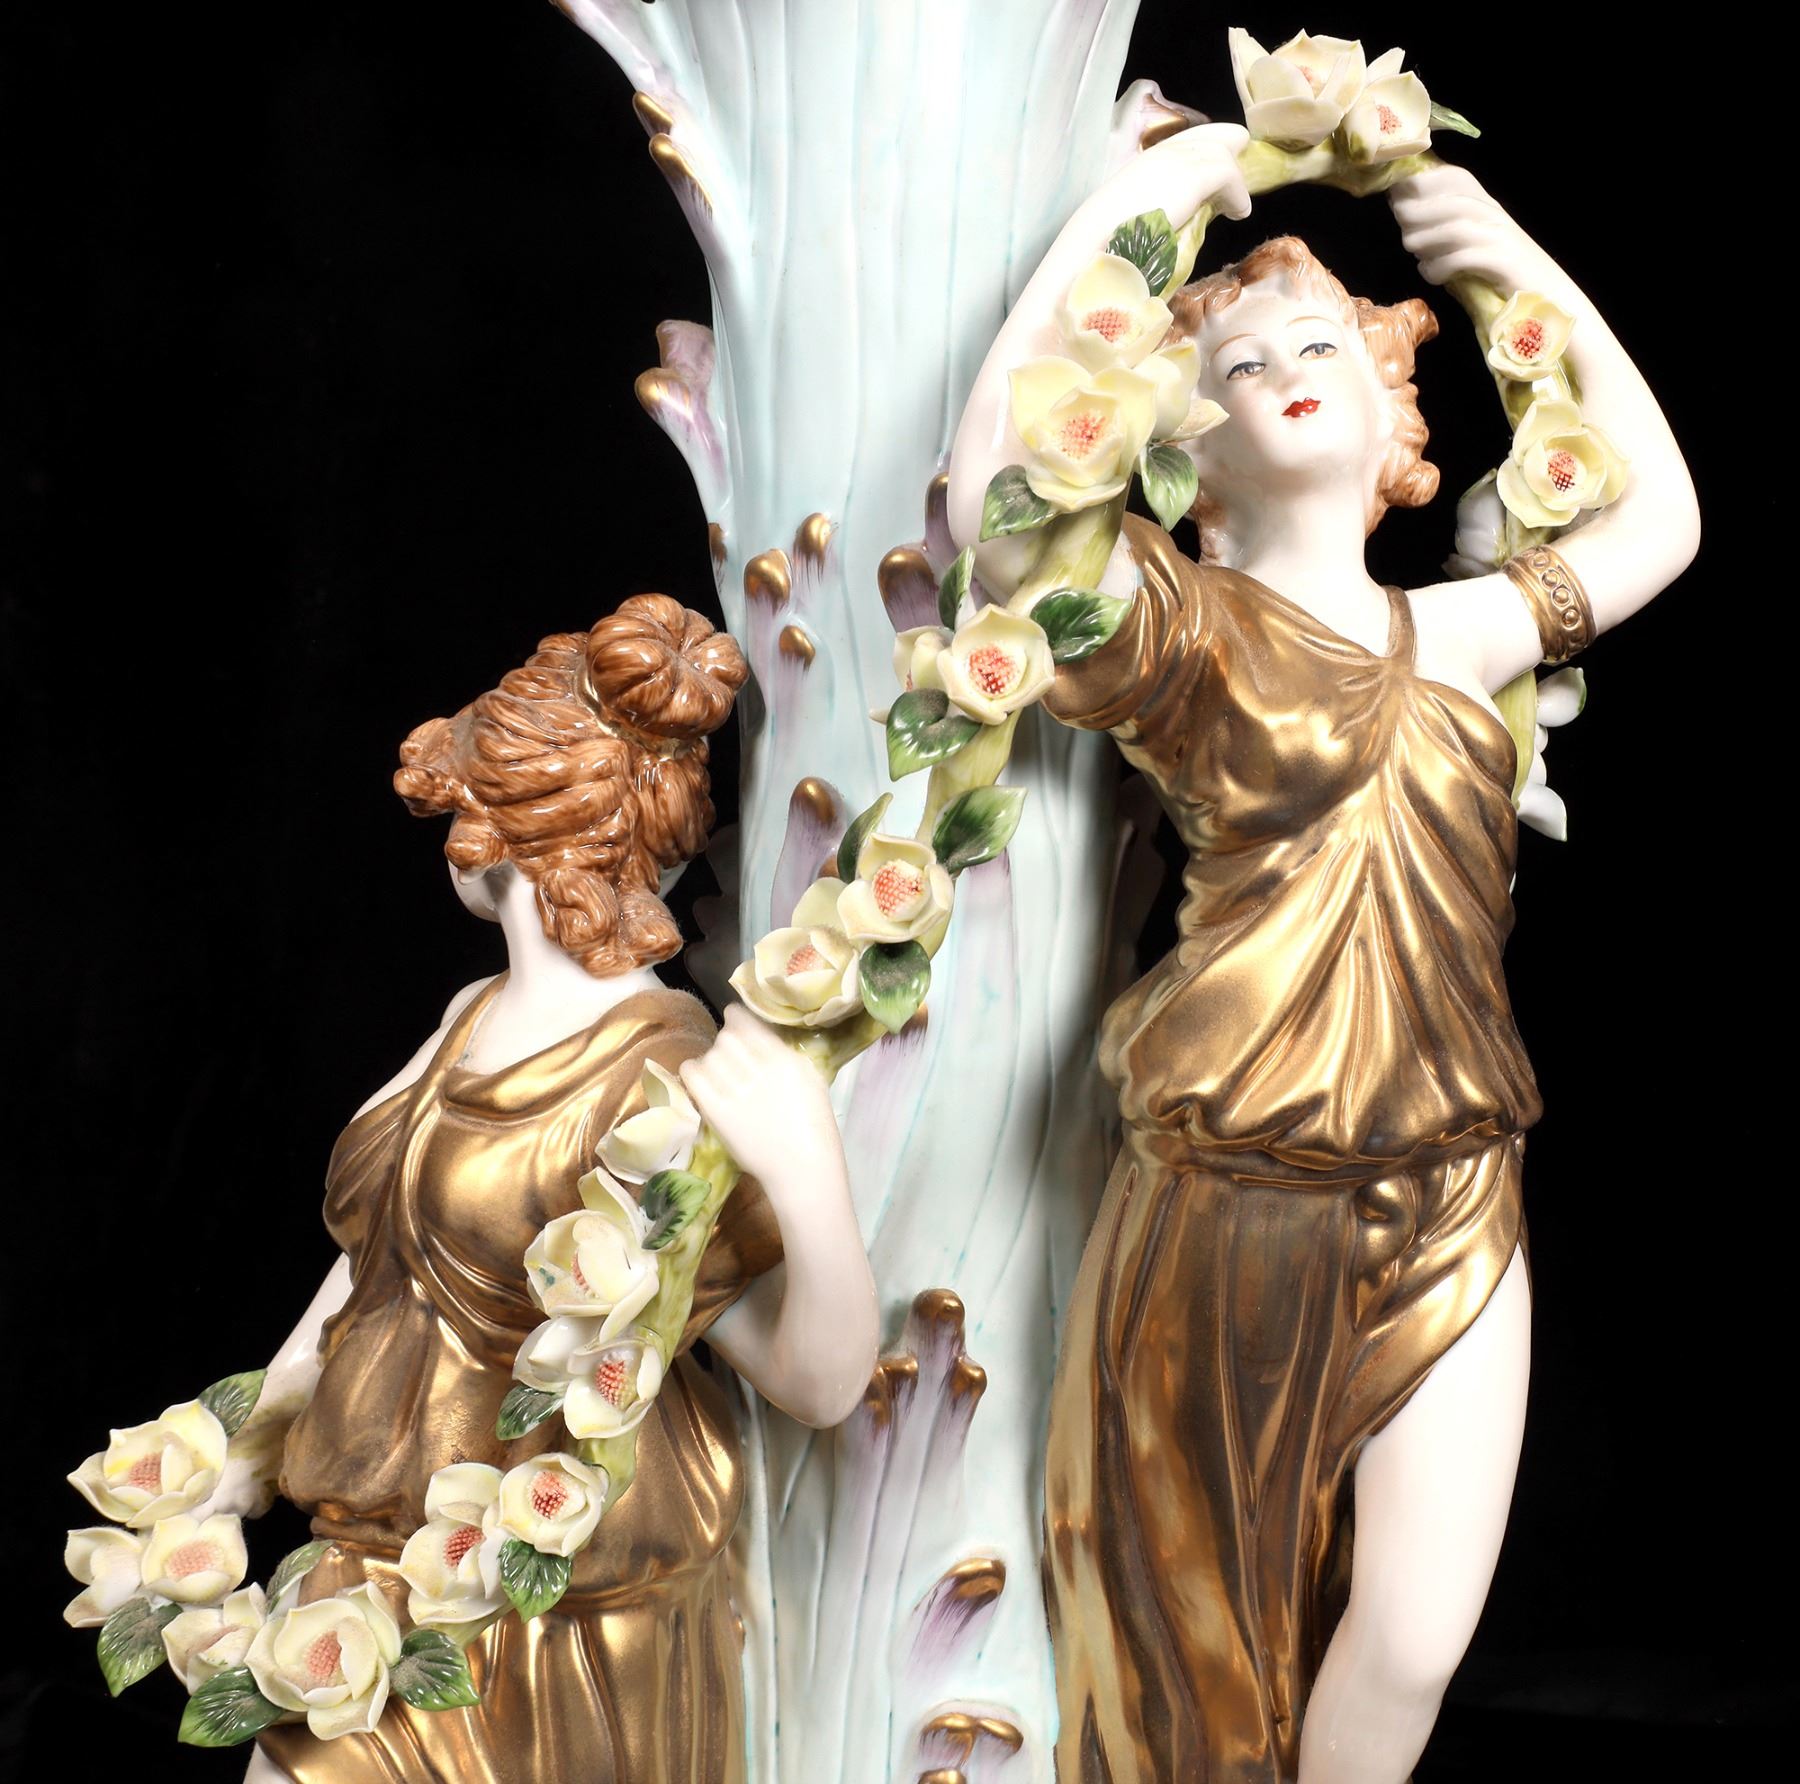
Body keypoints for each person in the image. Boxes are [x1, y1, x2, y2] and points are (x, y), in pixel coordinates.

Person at [947, 125, 1699, 1784]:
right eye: (1239, 364)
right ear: (1187, 438)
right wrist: (1146, 207)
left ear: (1389, 413)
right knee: (1202, 1636)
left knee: (1415, 1637)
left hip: (1456, 1183)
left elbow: (1665, 516)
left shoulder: (1461, 635)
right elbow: (988, 505)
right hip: (1237, 1188)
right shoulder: (1186, 634)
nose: (1286, 373)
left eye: (1320, 349)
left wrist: (1500, 256)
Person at [202, 594, 877, 1784]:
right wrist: (238, 1442)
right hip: (371, 1558)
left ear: (496, 828)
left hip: (550, 1604)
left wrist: (807, 1171)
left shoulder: (663, 1072)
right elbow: (374, 1269)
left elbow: (814, 1381)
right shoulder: (471, 1015)